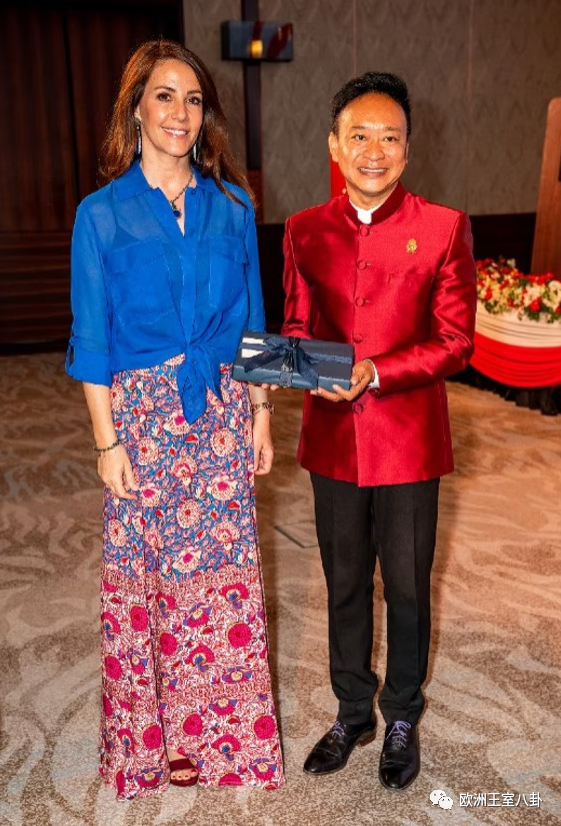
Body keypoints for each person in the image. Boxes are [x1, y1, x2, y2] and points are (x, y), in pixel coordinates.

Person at [66, 39, 283, 799]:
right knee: (149, 579)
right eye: (164, 96)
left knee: (221, 580)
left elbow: (253, 321)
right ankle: (153, 744)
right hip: (141, 419)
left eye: (193, 99)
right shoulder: (100, 215)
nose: (180, 113)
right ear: (136, 109)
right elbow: (92, 341)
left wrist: (260, 413)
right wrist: (106, 443)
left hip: (220, 413)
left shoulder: (233, 207)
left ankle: (221, 741)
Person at [280, 72, 476, 790]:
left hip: (409, 443)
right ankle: (351, 711)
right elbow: (296, 326)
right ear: (334, 145)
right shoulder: (303, 230)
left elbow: (456, 341)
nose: (374, 150)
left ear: (407, 149)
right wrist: (303, 369)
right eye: (358, 135)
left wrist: (377, 371)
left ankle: (400, 715)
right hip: (332, 438)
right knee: (342, 583)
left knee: (407, 587)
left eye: (389, 138)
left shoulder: (444, 226)